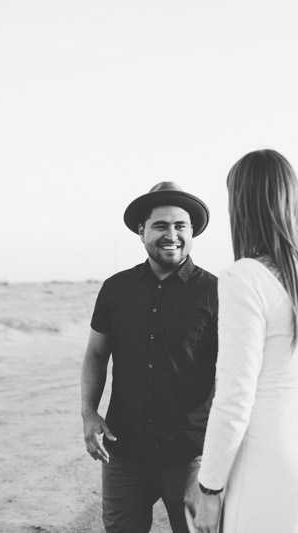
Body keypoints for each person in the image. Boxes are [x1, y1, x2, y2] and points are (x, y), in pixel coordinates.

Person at [186, 150, 298, 532]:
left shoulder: (243, 277)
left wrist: (209, 489)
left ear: (241, 203)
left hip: (271, 464)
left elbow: (234, 398)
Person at [81, 181, 219, 533]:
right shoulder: (116, 288)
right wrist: (88, 413)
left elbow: (233, 373)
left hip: (190, 454)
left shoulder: (216, 292)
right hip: (122, 451)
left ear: (192, 233)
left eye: (180, 226)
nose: (170, 234)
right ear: (141, 231)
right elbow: (97, 355)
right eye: (160, 225)